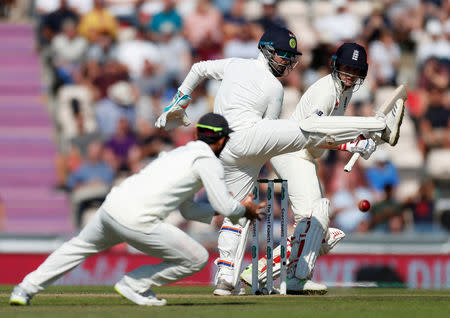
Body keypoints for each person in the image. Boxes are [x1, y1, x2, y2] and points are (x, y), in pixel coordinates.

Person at [155, 28, 405, 296]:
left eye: (289, 56)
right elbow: (288, 132)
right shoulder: (276, 87)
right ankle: (376, 124)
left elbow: (199, 69)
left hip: (227, 147)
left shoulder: (235, 64)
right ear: (265, 49)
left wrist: (178, 102)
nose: (286, 60)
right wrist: (356, 139)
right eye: (282, 54)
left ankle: (227, 277)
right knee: (307, 136)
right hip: (257, 142)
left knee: (245, 214)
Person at [9, 113, 266, 307]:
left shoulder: (177, 154)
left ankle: (24, 289)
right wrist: (244, 210)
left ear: (197, 135)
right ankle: (135, 284)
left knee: (76, 248)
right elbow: (224, 204)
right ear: (221, 140)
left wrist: (220, 213)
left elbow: (188, 210)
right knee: (197, 258)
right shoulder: (208, 162)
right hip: (138, 220)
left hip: (112, 206)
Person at [240, 42, 382, 294]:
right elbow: (312, 132)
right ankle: (266, 273)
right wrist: (351, 144)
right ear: (336, 65)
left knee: (323, 233)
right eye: (346, 68)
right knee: (315, 215)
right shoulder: (325, 91)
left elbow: (327, 135)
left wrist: (356, 143)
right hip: (293, 152)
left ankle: (284, 274)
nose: (350, 74)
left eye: (355, 70)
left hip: (305, 156)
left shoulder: (344, 91)